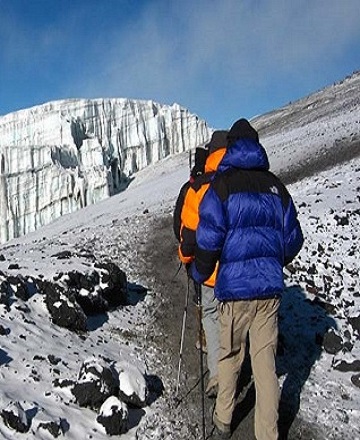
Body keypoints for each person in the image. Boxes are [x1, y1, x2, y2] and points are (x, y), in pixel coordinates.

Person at [191, 119, 304, 439]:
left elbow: (209, 238)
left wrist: (201, 272)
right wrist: (273, 261)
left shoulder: (222, 186)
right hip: (268, 292)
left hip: (235, 292)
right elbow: (294, 239)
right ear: (256, 146)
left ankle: (224, 420)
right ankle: (268, 433)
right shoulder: (275, 186)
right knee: (265, 364)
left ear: (231, 148)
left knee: (229, 357)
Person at [173, 130, 228, 397]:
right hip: (236, 268)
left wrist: (185, 255)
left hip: (207, 268)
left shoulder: (195, 187)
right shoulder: (235, 180)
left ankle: (217, 372)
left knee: (209, 312)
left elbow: (185, 227)